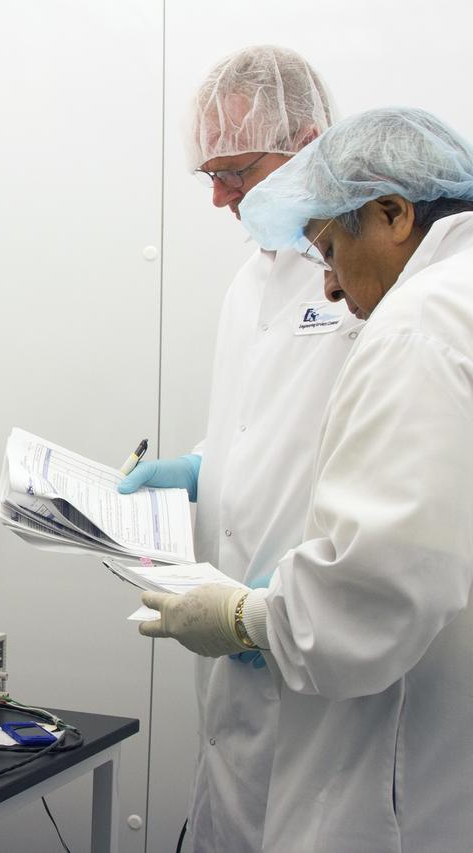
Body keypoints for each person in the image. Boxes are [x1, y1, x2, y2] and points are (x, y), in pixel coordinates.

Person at [141, 106, 473, 851]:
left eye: (328, 251)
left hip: (394, 770)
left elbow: (376, 588)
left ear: (392, 214)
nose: (326, 287)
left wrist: (245, 618)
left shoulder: (419, 323)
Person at [117, 46, 351, 851]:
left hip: (321, 657)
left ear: (311, 144)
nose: (217, 197)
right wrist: (194, 469)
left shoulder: (365, 283)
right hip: (231, 666)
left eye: (237, 171)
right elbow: (260, 428)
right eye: (207, 175)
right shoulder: (248, 284)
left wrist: (264, 613)